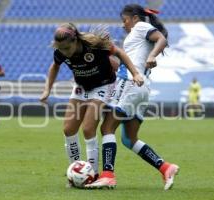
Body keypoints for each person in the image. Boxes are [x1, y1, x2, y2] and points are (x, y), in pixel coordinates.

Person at [86, 4, 179, 190]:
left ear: (135, 18)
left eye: (125, 20)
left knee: (107, 127)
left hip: (130, 83)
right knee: (129, 139)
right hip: (142, 87)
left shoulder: (140, 26)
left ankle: (107, 175)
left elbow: (161, 39)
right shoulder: (134, 38)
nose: (123, 25)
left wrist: (152, 56)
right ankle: (166, 167)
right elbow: (122, 62)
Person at [40, 23, 143, 185]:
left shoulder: (95, 45)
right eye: (61, 49)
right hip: (81, 87)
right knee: (68, 129)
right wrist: (47, 89)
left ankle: (93, 175)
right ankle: (75, 171)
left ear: (75, 41)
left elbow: (119, 53)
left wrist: (135, 73)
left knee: (88, 128)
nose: (64, 52)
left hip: (104, 85)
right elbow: (54, 67)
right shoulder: (61, 51)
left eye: (67, 48)